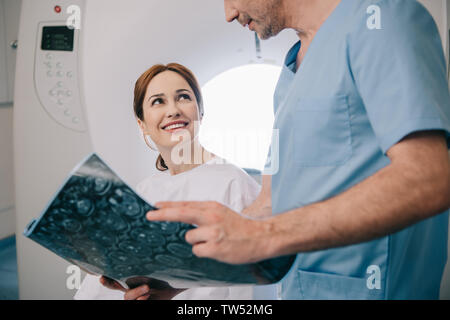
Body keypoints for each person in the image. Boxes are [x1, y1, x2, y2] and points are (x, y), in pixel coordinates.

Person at [146, 0, 450, 299]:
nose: (229, 14)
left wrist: (266, 237)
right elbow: (269, 204)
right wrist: (183, 277)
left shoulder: (379, 20)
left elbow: (430, 177)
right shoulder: (289, 76)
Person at [74, 63, 263, 300]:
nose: (173, 110)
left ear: (200, 112)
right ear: (141, 123)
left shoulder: (234, 184)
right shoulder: (142, 192)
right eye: (157, 101)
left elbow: (250, 293)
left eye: (183, 97)